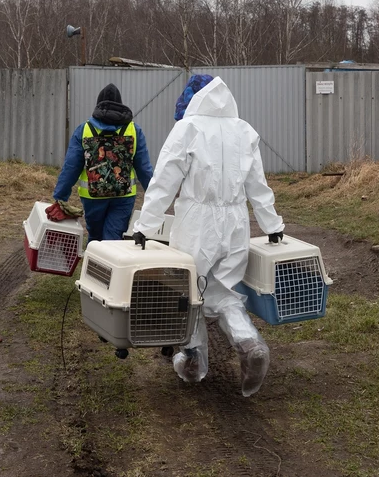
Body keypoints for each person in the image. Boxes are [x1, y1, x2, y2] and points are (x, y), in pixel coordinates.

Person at [132, 75, 284, 397]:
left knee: (190, 292)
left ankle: (192, 360)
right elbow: (258, 185)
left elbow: (163, 182)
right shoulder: (243, 131)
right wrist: (272, 226)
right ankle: (249, 342)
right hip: (236, 223)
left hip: (196, 224)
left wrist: (145, 227)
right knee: (225, 291)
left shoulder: (188, 129)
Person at [53, 83, 153, 242]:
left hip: (93, 196)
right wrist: (155, 194)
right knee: (113, 236)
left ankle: (94, 261)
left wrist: (61, 196)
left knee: (95, 236)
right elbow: (144, 167)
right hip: (124, 195)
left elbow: (71, 167)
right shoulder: (134, 130)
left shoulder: (84, 129)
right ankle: (111, 261)